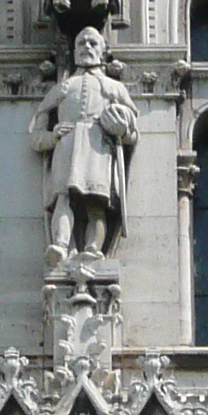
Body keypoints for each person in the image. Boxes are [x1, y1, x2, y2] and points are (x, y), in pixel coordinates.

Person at [31, 24, 138, 258]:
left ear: (103, 51)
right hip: (67, 144)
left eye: (93, 43)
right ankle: (60, 245)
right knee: (63, 198)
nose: (87, 47)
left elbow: (132, 124)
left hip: (98, 146)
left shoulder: (113, 87)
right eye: (81, 43)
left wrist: (122, 128)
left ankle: (93, 248)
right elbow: (37, 127)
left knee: (96, 204)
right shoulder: (64, 87)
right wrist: (51, 136)